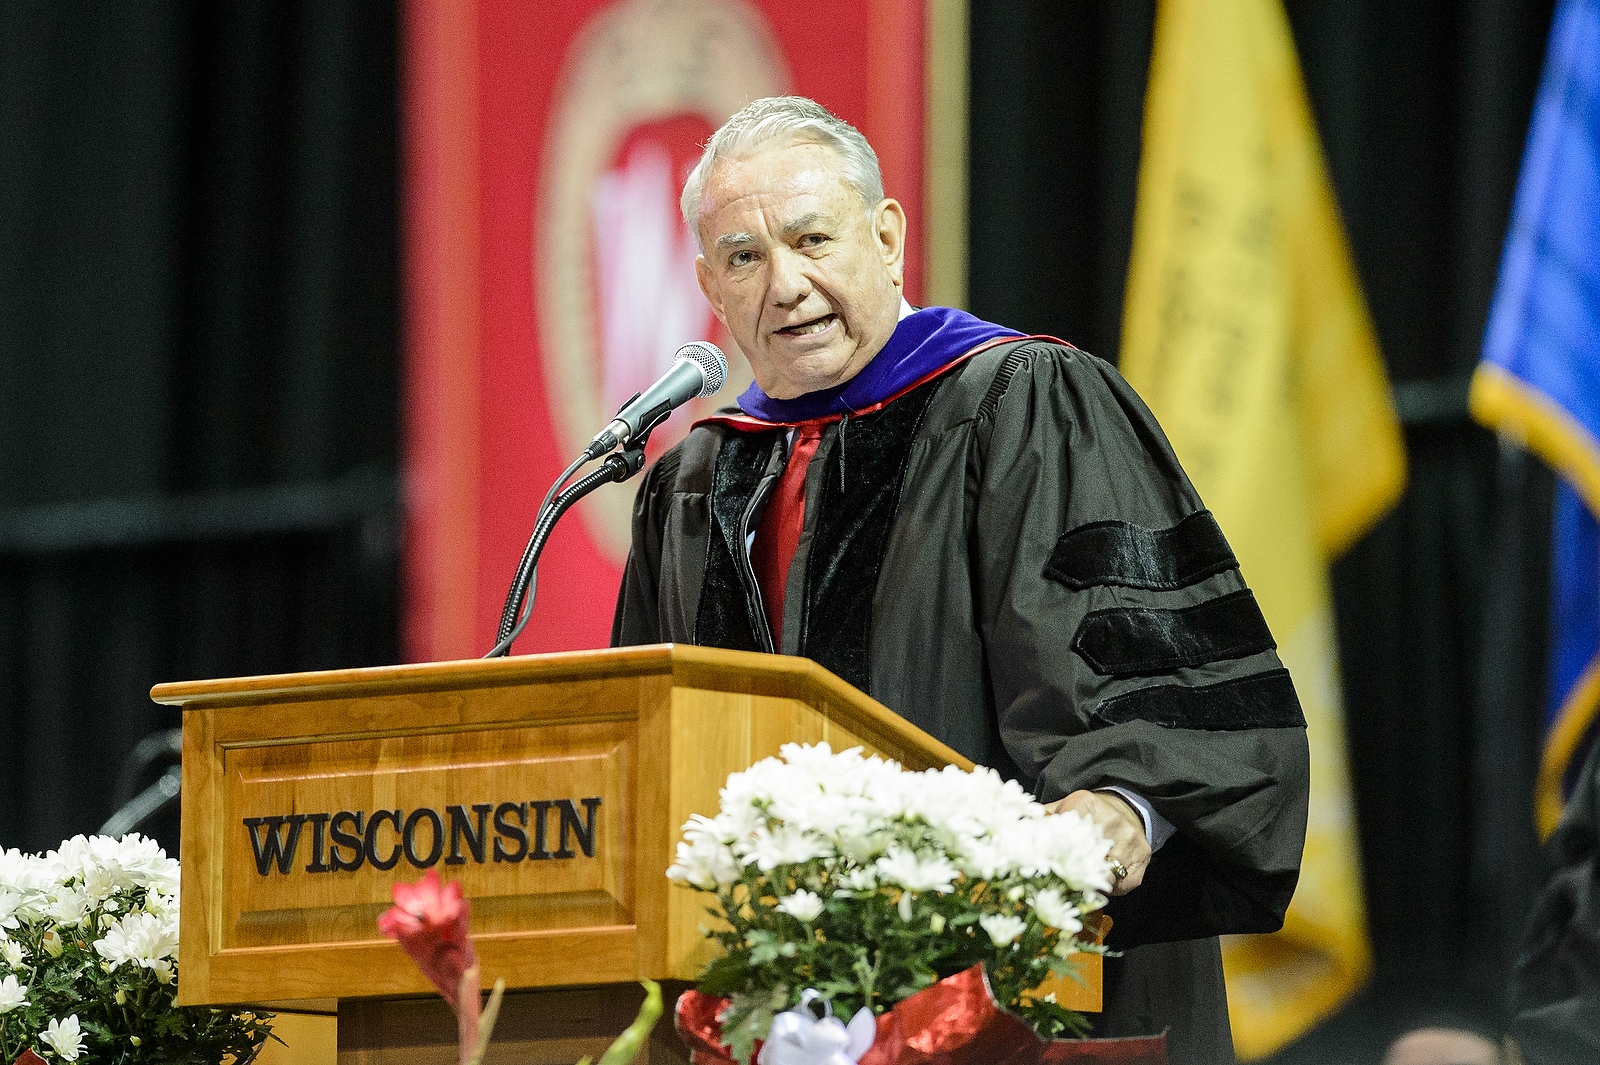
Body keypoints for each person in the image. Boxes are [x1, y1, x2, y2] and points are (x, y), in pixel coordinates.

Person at [611, 95, 1310, 1065]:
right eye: (743, 258)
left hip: (1010, 1007)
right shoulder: (696, 484)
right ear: (708, 286)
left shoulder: (1026, 404)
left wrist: (1122, 807)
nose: (785, 285)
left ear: (887, 237)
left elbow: (1147, 678)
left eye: (813, 239)